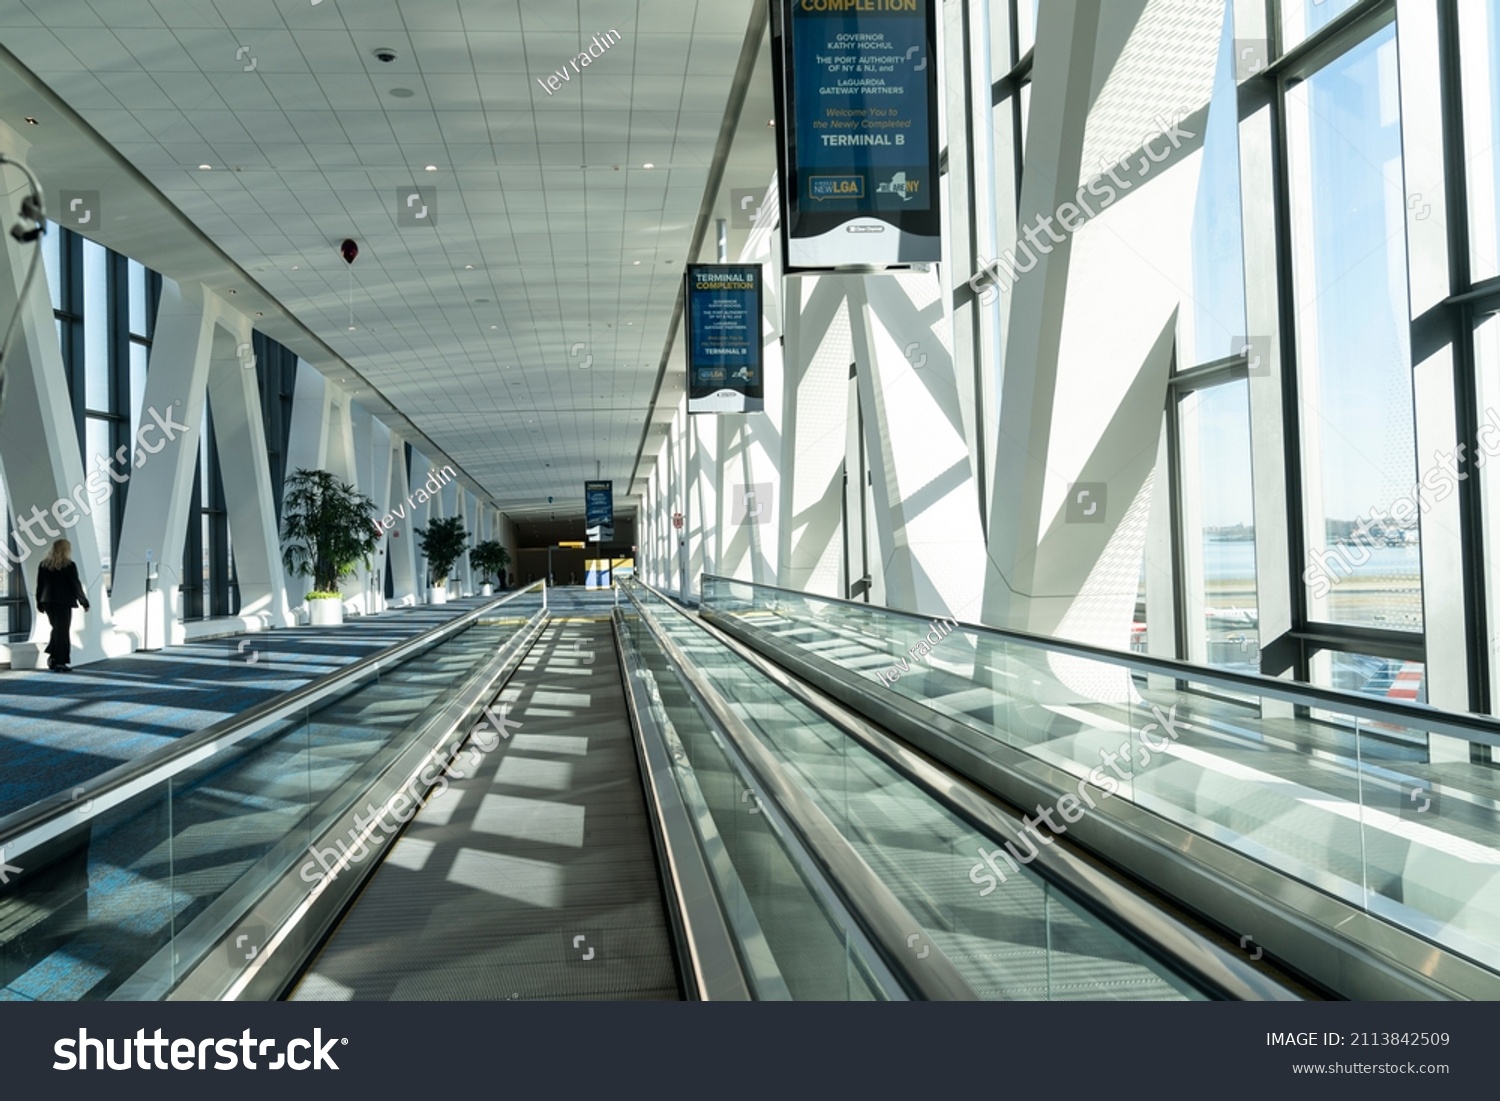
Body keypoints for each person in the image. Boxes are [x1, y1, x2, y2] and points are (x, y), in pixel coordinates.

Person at [35, 539, 90, 672]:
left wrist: (39, 602)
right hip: (63, 603)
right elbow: (75, 585)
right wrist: (84, 602)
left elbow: (40, 585)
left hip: (47, 602)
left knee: (57, 629)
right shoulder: (69, 565)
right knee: (62, 631)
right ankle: (59, 661)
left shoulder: (44, 565)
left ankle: (53, 656)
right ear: (66, 550)